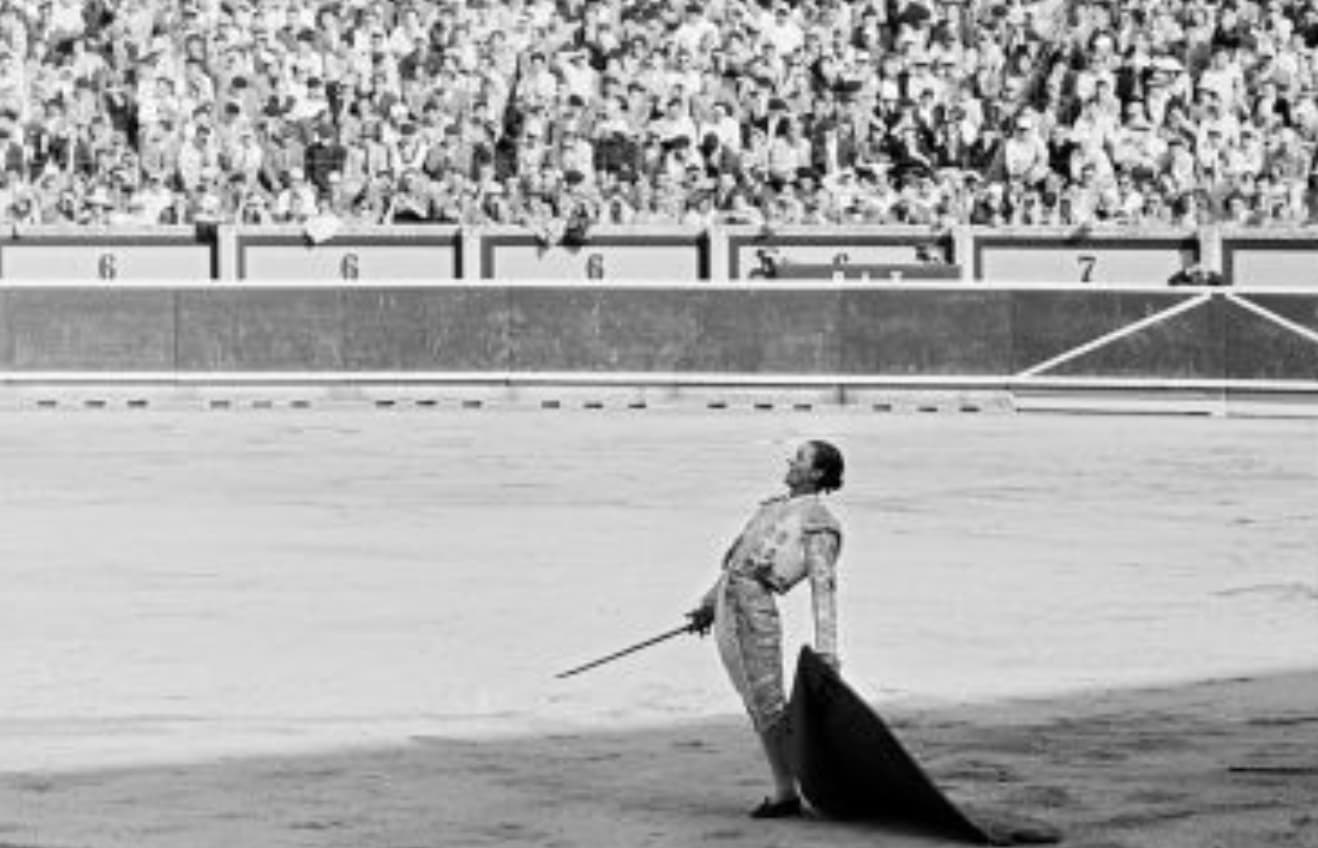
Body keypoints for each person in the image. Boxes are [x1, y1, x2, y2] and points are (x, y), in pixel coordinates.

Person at [687, 440, 844, 819]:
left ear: (818, 472)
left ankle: (786, 791)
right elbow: (736, 565)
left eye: (801, 458)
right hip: (732, 603)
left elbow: (823, 586)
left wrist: (827, 650)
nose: (791, 461)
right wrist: (710, 604)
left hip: (755, 608)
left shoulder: (819, 522)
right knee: (757, 700)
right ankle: (788, 787)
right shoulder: (774, 507)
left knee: (766, 701)